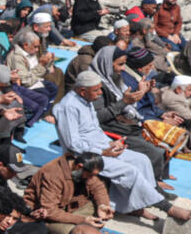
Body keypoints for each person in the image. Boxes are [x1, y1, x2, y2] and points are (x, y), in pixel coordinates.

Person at [57, 71, 190, 220]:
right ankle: (167, 208)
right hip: (85, 155)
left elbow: (95, 129)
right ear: (83, 91)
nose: (100, 93)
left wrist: (111, 143)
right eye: (96, 90)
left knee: (142, 160)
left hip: (102, 147)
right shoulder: (68, 107)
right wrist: (103, 151)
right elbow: (72, 143)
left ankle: (136, 206)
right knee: (129, 171)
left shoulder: (86, 102)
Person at [23, 151, 113, 234]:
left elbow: (98, 187)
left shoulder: (83, 169)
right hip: (46, 215)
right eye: (90, 175)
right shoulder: (53, 174)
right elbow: (50, 211)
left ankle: (82, 225)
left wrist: (103, 205)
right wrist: (83, 220)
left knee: (97, 211)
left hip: (70, 208)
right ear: (79, 167)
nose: (91, 178)